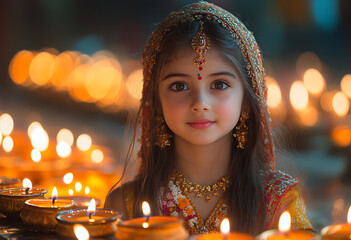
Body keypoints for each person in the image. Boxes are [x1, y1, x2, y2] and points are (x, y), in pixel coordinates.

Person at [105, 1, 313, 236]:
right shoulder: (126, 205)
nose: (200, 103)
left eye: (219, 84)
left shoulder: (278, 202)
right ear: (156, 102)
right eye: (179, 85)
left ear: (247, 99)